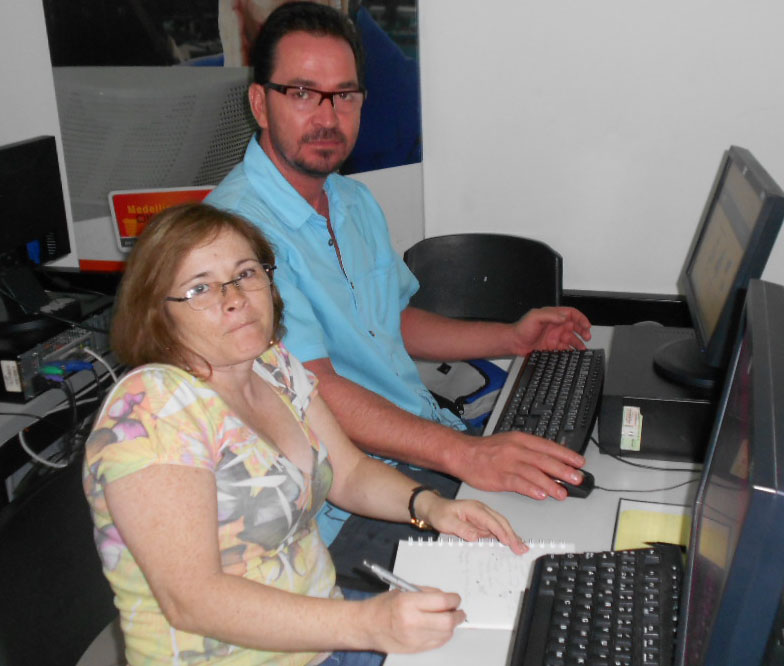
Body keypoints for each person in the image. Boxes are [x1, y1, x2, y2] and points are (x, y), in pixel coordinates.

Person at [206, 1, 591, 578]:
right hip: (348, 502)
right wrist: (465, 454)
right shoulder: (233, 238)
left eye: (345, 95)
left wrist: (512, 339)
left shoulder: (351, 200)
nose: (328, 116)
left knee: (574, 524)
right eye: (303, 93)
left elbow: (392, 322)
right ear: (260, 103)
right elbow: (313, 392)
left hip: (421, 450)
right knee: (539, 576)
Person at [83, 202, 526, 665]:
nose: (235, 298)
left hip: (322, 634)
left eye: (245, 273)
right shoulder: (153, 410)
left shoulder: (272, 364)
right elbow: (192, 600)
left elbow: (349, 473)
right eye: (200, 288)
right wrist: (370, 624)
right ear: (157, 312)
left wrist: (431, 507)